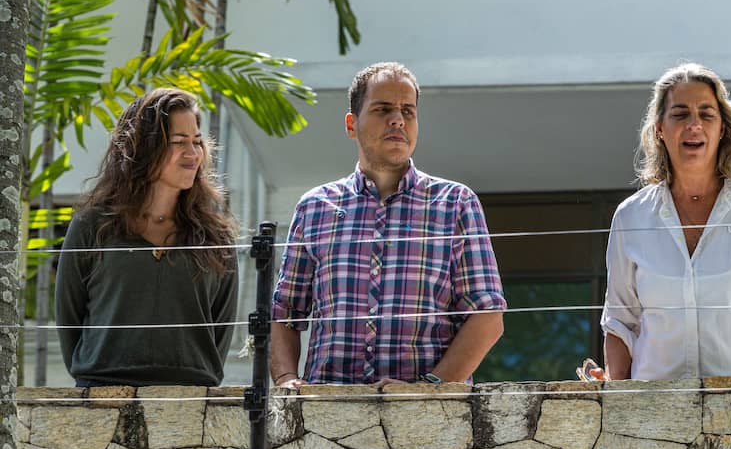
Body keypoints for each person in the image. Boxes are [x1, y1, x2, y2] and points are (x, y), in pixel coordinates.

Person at [271, 62, 506, 386]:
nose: (397, 119)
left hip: (429, 419)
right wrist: (285, 380)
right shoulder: (314, 208)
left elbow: (487, 316)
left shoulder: (456, 204)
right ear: (351, 124)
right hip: (327, 416)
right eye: (383, 109)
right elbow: (284, 312)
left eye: (408, 111)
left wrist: (427, 390)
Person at [599, 63, 731, 380]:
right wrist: (620, 402)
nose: (694, 124)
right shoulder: (630, 216)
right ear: (660, 128)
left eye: (706, 114)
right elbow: (620, 324)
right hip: (656, 409)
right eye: (680, 114)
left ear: (722, 128)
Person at [55, 88, 239, 386]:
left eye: (197, 142)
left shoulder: (216, 235)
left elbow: (221, 326)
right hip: (101, 393)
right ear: (145, 147)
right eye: (179, 142)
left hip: (192, 398)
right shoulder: (92, 225)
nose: (192, 154)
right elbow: (68, 317)